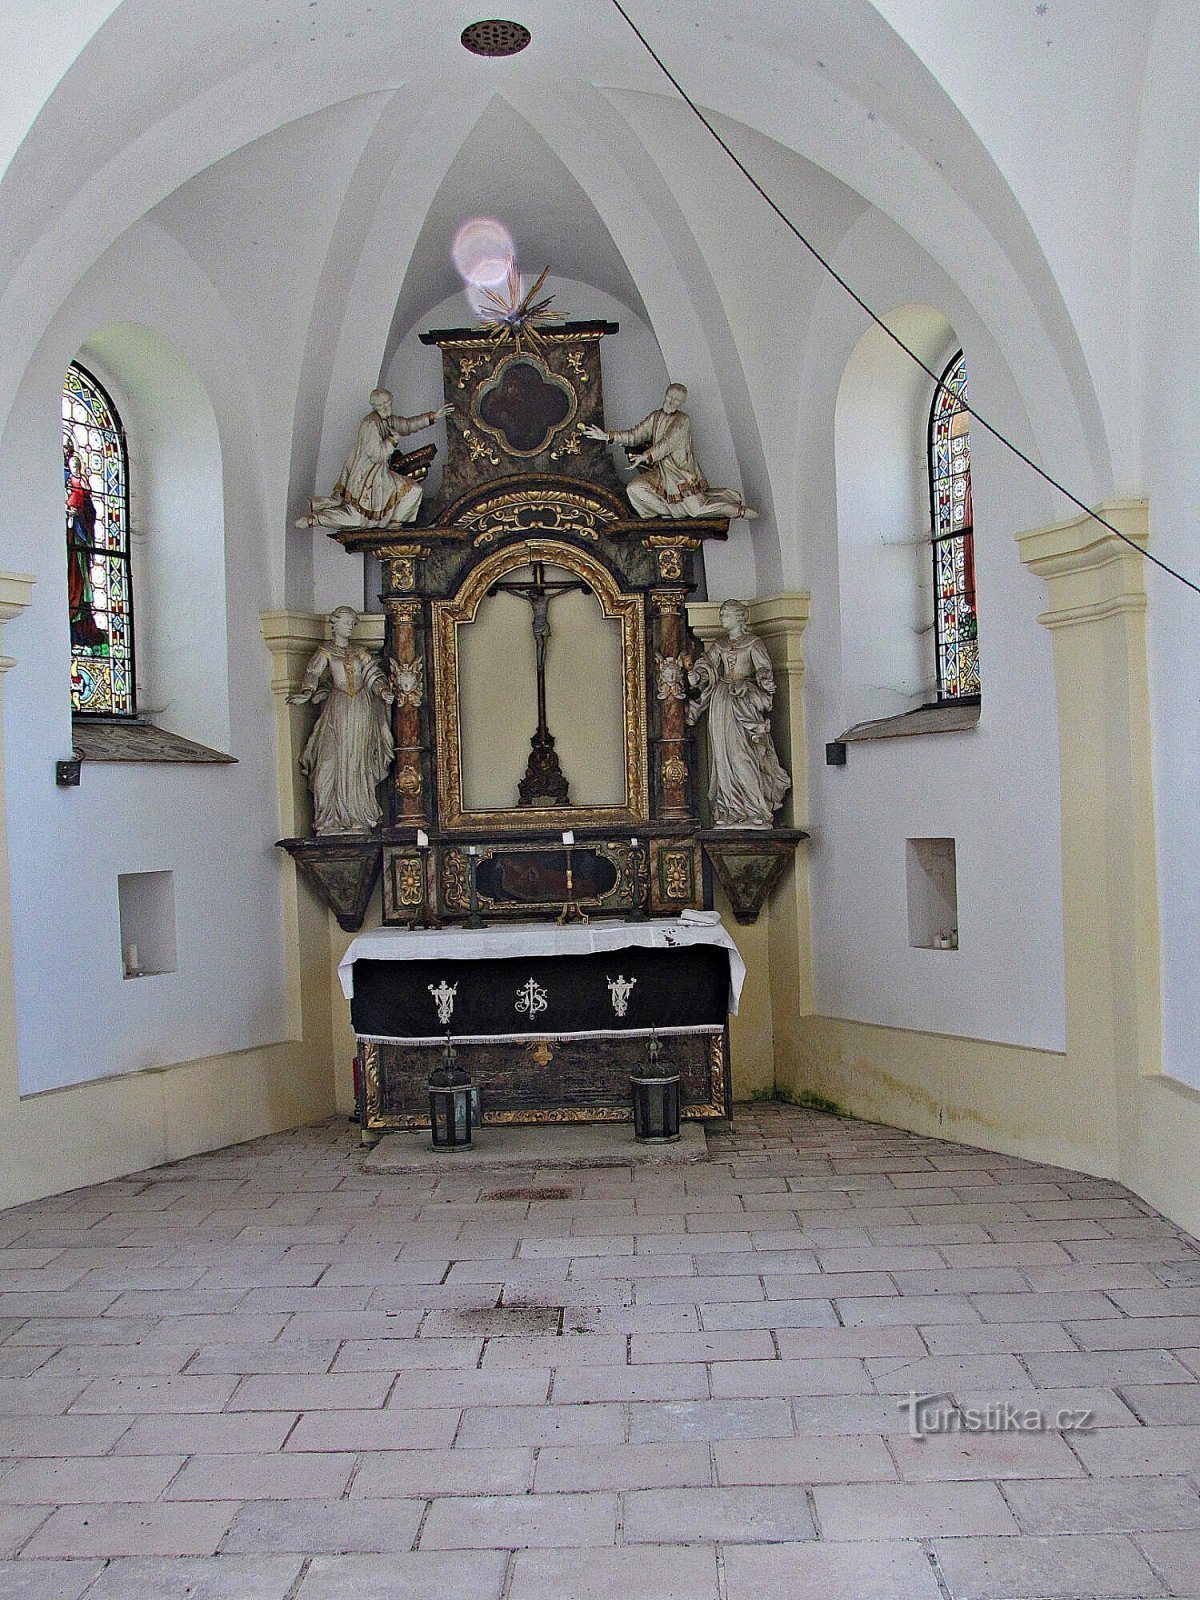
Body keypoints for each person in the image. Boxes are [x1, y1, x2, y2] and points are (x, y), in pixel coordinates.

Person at [288, 606, 395, 834]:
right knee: (329, 761)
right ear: (335, 624)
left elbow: (372, 674)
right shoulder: (325, 651)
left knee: (358, 760)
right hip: (337, 708)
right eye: (346, 622)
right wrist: (306, 692)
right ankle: (329, 817)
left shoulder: (361, 651)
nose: (350, 627)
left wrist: (382, 690)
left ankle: (357, 814)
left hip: (361, 709)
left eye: (352, 623)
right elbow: (313, 674)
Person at [582, 383, 757, 520]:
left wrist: (644, 456)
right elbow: (635, 435)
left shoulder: (682, 420)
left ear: (681, 403)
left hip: (679, 474)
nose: (671, 403)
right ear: (665, 395)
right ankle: (671, 513)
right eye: (669, 398)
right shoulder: (656, 417)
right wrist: (606, 436)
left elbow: (667, 444)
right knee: (635, 489)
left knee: (697, 511)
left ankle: (735, 510)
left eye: (676, 401)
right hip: (661, 473)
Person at [686, 599, 790, 828]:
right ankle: (731, 809)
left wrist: (765, 680)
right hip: (721, 702)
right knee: (723, 757)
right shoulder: (720, 644)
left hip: (743, 700)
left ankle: (756, 808)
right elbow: (708, 665)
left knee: (742, 756)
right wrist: (698, 676)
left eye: (725, 615)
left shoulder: (754, 643)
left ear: (739, 618)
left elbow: (763, 668)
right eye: (721, 614)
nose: (721, 618)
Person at [296, 389, 453, 529]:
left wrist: (433, 416)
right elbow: (377, 454)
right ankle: (315, 519)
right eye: (381, 405)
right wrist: (392, 440)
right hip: (366, 478)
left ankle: (394, 526)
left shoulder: (388, 419)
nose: (385, 407)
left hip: (382, 475)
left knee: (414, 490)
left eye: (387, 403)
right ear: (374, 406)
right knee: (358, 520)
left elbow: (406, 425)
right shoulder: (370, 424)